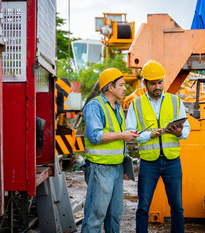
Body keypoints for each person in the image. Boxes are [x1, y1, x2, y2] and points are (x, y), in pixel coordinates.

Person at [125, 60, 190, 233]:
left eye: (160, 82)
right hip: (148, 163)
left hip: (172, 161)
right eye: (153, 83)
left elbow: (187, 129)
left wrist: (178, 133)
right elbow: (130, 133)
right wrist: (150, 135)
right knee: (143, 207)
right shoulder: (136, 104)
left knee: (177, 207)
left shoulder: (175, 101)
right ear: (145, 83)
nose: (157, 86)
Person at [81, 68, 139, 233]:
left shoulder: (118, 108)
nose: (124, 88)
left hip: (116, 168)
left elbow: (120, 140)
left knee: (114, 216)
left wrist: (124, 166)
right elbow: (95, 136)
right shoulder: (94, 106)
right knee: (95, 217)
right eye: (120, 85)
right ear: (109, 87)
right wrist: (123, 135)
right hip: (100, 168)